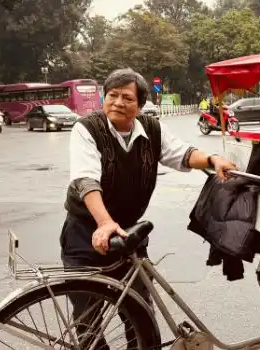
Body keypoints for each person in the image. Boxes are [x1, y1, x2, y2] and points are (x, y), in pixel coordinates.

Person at [62, 68, 236, 347]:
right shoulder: (87, 128)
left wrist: (213, 159)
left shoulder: (151, 128)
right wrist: (105, 223)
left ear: (140, 105)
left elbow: (182, 154)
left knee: (140, 308)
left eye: (127, 98)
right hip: (87, 232)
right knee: (88, 315)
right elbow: (85, 179)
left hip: (128, 231)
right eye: (112, 95)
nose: (118, 102)